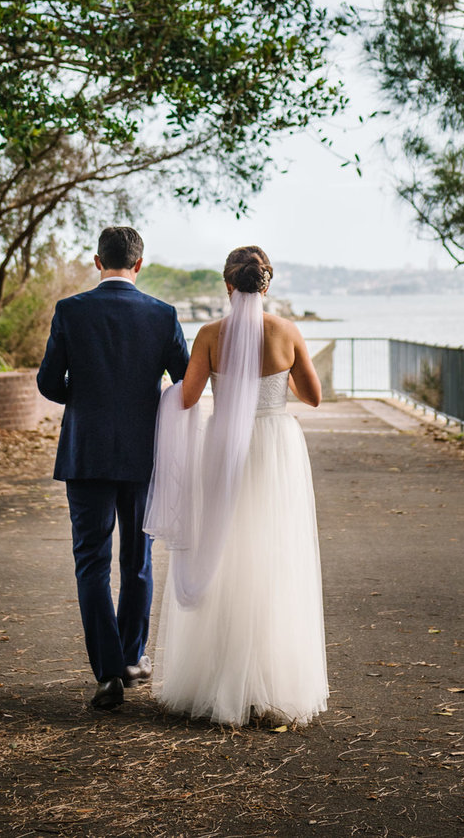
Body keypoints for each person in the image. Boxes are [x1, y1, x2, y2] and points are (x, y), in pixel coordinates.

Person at [145, 244, 328, 726]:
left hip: (224, 445)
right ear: (268, 283)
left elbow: (186, 398)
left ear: (227, 285)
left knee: (224, 551)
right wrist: (277, 379)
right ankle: (272, 684)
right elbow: (313, 397)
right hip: (275, 446)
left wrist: (157, 394)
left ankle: (217, 680)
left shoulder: (209, 334)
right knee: (273, 555)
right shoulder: (287, 332)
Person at [36, 225, 189, 710]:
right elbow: (186, 382)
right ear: (138, 265)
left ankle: (107, 675)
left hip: (86, 453)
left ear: (98, 262)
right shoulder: (162, 315)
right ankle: (131, 657)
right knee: (137, 558)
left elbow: (47, 382)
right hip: (143, 456)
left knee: (91, 562)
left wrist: (81, 400)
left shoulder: (71, 310)